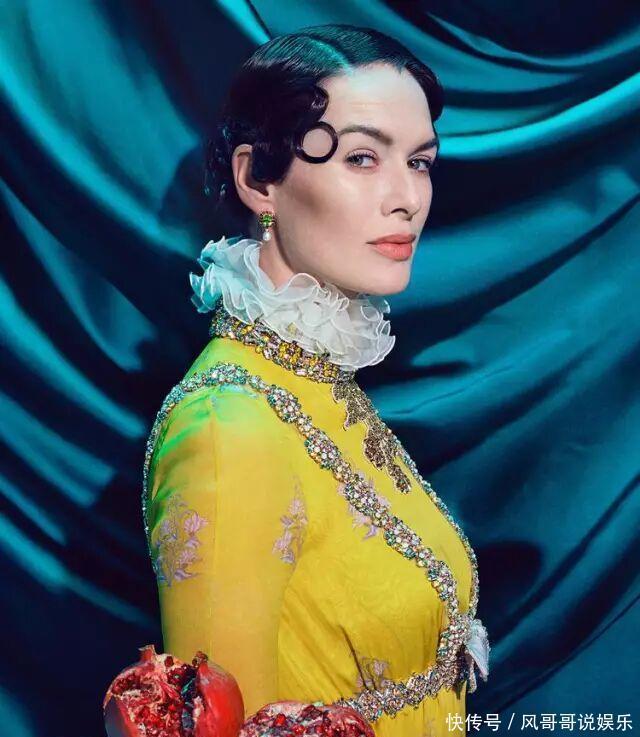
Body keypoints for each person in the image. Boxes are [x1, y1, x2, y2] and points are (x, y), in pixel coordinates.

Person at [142, 23, 489, 737]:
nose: (407, 198)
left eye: (419, 162)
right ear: (257, 179)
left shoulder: (317, 378)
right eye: (362, 157)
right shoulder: (227, 430)